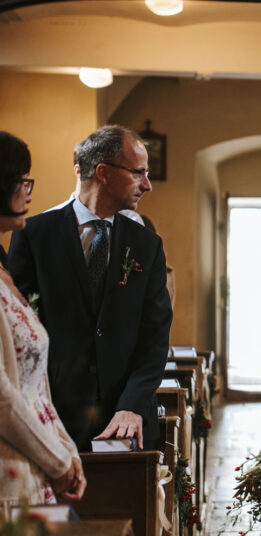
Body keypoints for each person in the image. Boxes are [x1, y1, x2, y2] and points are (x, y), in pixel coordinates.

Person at [8, 125, 173, 451]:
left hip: (126, 422)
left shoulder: (147, 245)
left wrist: (132, 405)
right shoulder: (34, 235)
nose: (147, 184)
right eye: (138, 172)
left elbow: (155, 337)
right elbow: (20, 330)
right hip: (52, 419)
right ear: (103, 173)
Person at [0, 131, 86, 507]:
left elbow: (35, 386)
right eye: (21, 181)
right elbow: (2, 398)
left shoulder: (3, 272)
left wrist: (67, 452)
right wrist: (58, 461)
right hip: (9, 476)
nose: (28, 192)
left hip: (36, 464)